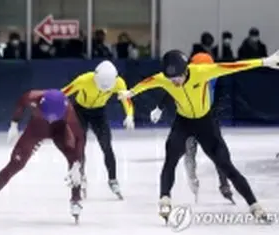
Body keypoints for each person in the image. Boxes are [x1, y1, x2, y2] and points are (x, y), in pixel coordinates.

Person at [119, 49, 279, 223]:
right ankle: (165, 199)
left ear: (186, 70)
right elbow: (147, 83)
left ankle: (254, 205)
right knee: (170, 159)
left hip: (206, 124)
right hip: (183, 123)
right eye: (171, 80)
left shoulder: (202, 71)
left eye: (178, 78)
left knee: (226, 165)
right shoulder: (164, 79)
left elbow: (233, 66)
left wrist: (264, 62)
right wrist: (130, 93)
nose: (175, 82)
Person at [0, 89, 84, 223]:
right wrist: (14, 124)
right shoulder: (32, 97)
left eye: (53, 117)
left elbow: (79, 138)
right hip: (37, 129)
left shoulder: (69, 111)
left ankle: (76, 198)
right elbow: (20, 104)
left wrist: (77, 164)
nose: (50, 119)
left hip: (59, 131)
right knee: (15, 164)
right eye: (47, 115)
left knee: (75, 163)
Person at [150, 52, 234, 204]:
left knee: (212, 150)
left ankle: (220, 182)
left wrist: (160, 108)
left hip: (206, 115)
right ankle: (202, 179)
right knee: (198, 149)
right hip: (190, 117)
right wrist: (159, 107)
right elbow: (172, 92)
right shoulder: (196, 75)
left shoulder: (208, 75)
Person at [61, 60, 134, 199]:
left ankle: (113, 180)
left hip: (99, 114)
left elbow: (126, 99)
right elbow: (63, 93)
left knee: (107, 146)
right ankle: (80, 176)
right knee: (79, 146)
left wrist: (130, 115)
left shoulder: (119, 82)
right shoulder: (84, 80)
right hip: (79, 112)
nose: (102, 90)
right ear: (96, 77)